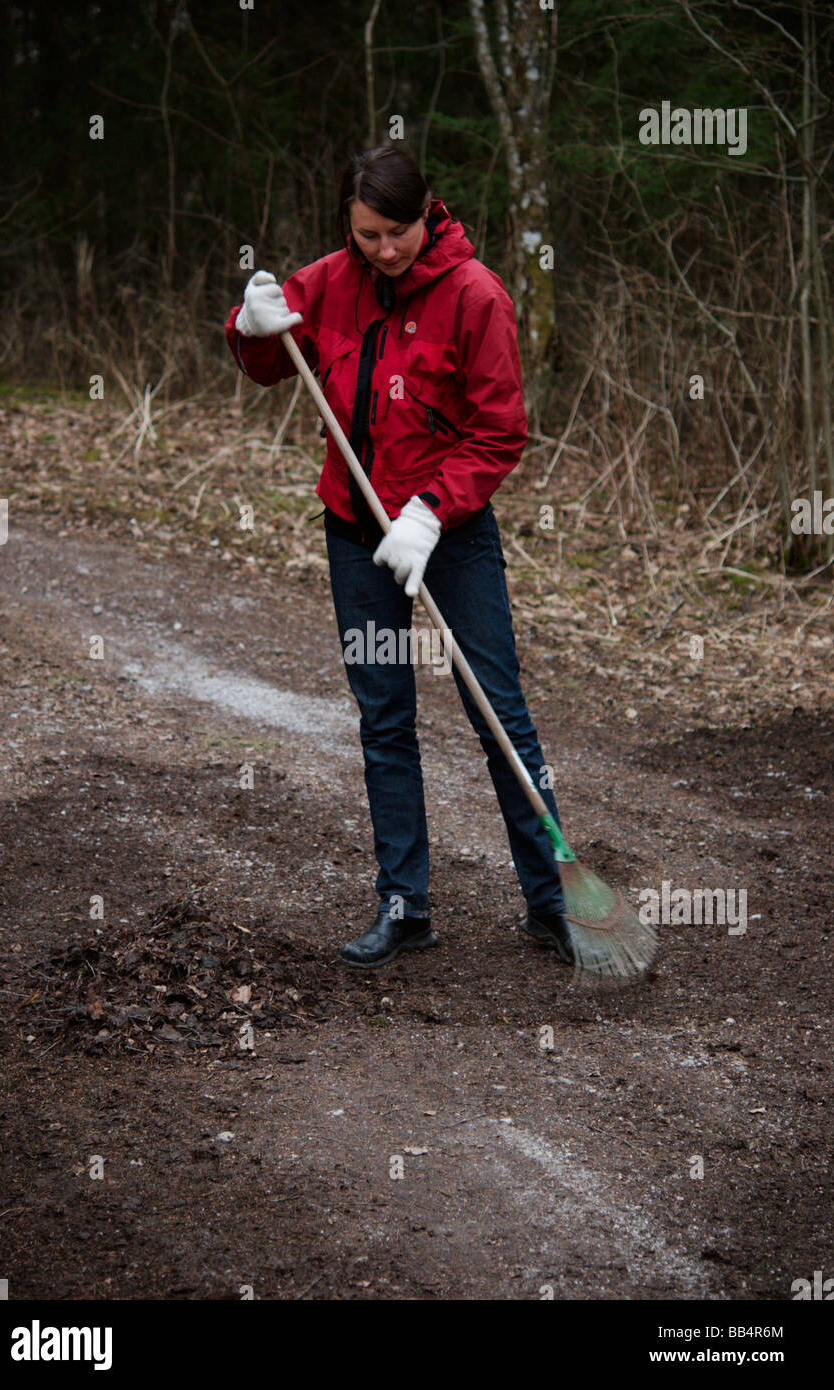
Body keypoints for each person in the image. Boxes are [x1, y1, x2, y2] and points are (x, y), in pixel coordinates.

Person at [226, 146, 572, 969]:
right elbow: (276, 366)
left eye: (398, 231)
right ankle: (404, 906)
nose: (384, 250)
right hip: (353, 528)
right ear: (349, 223)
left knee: (499, 716)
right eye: (367, 234)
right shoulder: (329, 280)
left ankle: (553, 904)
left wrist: (430, 512)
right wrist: (250, 327)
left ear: (428, 212)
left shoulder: (476, 296)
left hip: (449, 539)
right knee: (385, 721)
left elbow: (500, 432)